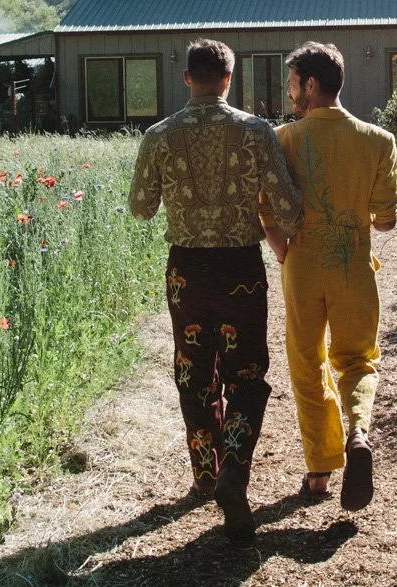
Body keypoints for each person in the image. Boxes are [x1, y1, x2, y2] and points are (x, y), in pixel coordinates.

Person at [129, 38, 303, 541]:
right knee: (246, 375)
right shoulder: (255, 132)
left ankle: (205, 473)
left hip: (184, 272)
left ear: (187, 78)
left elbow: (141, 207)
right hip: (240, 271)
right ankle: (234, 469)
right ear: (229, 78)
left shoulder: (159, 136)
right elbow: (289, 210)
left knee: (193, 369)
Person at [261, 42, 397, 512]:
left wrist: (282, 250)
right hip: (354, 267)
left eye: (293, 83)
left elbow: (267, 208)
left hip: (302, 269)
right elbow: (386, 220)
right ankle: (358, 431)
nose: (289, 91)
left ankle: (319, 472)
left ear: (312, 85)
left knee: (306, 363)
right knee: (358, 360)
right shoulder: (379, 140)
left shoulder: (283, 139)